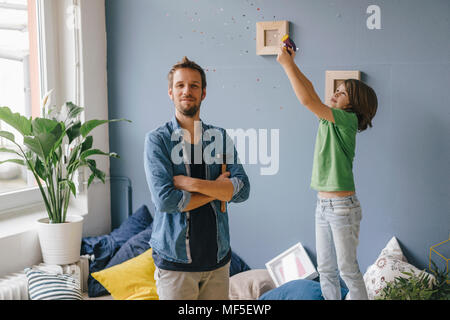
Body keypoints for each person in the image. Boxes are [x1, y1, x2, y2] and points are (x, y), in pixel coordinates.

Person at [143, 56, 250, 300]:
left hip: (218, 261)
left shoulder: (220, 137)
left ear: (203, 93)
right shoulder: (157, 140)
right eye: (180, 85)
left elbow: (242, 190)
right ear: (170, 92)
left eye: (194, 85)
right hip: (175, 263)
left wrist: (190, 183)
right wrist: (220, 189)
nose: (187, 91)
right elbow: (166, 201)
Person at [276, 46, 377, 300]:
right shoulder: (328, 119)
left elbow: (307, 100)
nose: (334, 93)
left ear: (353, 105)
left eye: (341, 93)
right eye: (337, 90)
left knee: (348, 269)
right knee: (325, 269)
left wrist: (286, 65)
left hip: (342, 207)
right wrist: (292, 62)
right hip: (323, 205)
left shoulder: (347, 121)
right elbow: (309, 89)